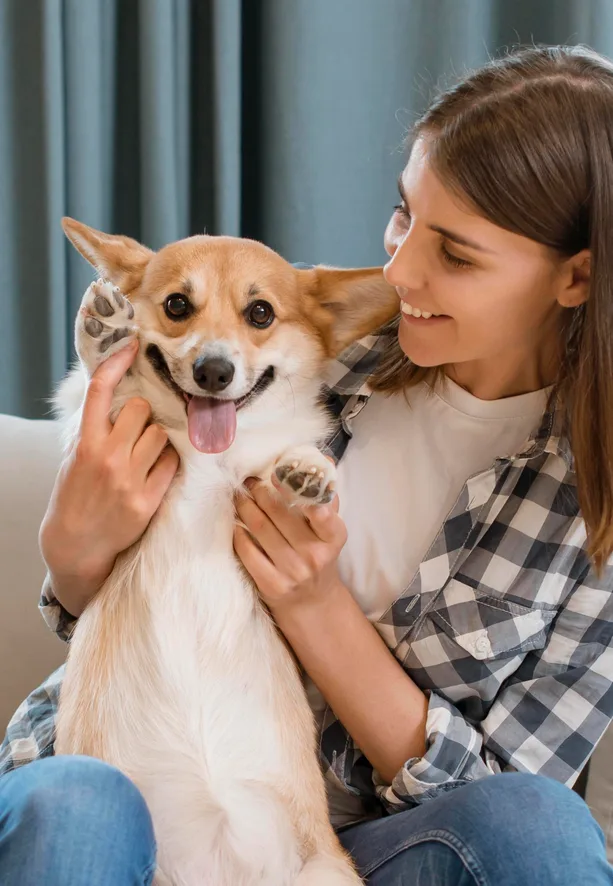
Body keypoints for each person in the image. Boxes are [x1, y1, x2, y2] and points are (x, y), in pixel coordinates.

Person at [1, 43, 613, 886]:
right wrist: (72, 551)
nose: (398, 274)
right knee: (73, 804)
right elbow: (136, 321)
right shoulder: (299, 355)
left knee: (538, 825)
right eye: (403, 216)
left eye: (456, 254)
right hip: (123, 782)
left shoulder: (593, 507)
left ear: (575, 276)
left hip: (338, 841)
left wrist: (315, 608)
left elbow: (502, 801)